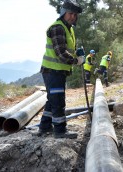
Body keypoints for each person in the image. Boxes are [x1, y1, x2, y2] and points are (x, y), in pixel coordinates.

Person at [38, 0, 84, 139]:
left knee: (52, 99)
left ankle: (44, 127)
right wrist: (76, 61)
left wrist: (77, 53)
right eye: (70, 14)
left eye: (75, 15)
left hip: (56, 71)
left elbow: (68, 50)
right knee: (57, 100)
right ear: (63, 13)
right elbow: (61, 53)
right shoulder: (58, 28)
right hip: (53, 71)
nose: (73, 17)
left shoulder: (68, 28)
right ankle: (60, 131)